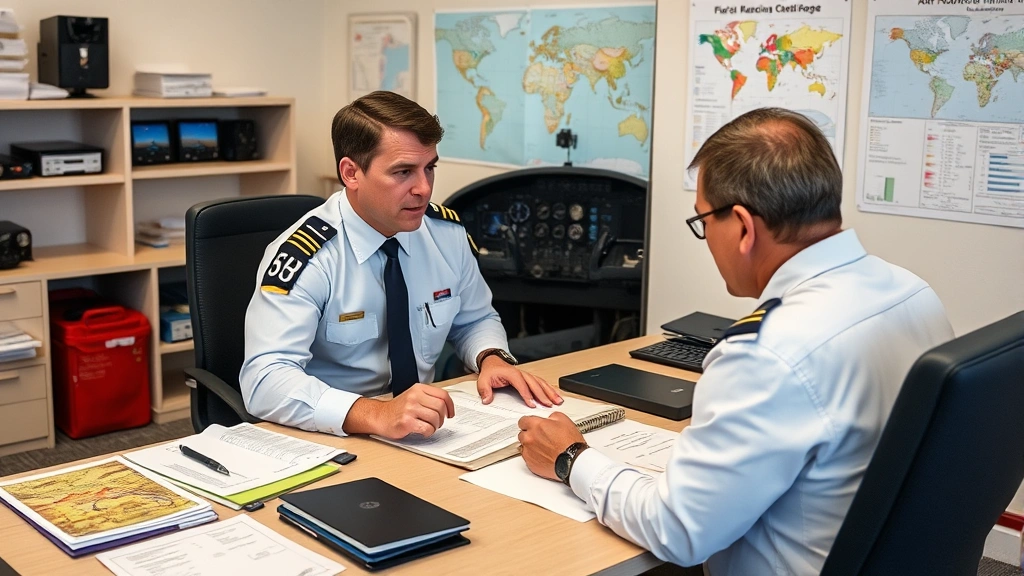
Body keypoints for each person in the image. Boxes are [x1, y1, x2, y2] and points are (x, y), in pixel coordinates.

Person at [517, 108, 954, 575]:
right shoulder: (911, 292)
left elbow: (678, 531)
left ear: (743, 227)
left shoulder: (766, 353)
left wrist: (571, 458)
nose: (705, 237)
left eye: (703, 220)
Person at [240, 91, 561, 440]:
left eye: (430, 168)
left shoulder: (445, 235)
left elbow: (475, 319)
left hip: (427, 428)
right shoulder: (311, 256)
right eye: (403, 172)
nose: (423, 188)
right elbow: (264, 379)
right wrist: (376, 413)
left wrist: (491, 357)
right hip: (334, 432)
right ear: (351, 173)